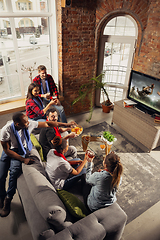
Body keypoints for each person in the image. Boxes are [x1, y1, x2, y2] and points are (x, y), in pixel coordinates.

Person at [0, 112, 76, 217]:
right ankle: (1, 196)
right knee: (1, 175)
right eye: (25, 122)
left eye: (27, 121)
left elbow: (48, 124)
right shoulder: (5, 131)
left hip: (21, 149)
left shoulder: (29, 123)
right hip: (10, 149)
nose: (28, 123)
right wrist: (23, 159)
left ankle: (8, 199)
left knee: (13, 173)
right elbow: (7, 151)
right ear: (17, 124)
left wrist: (66, 125)